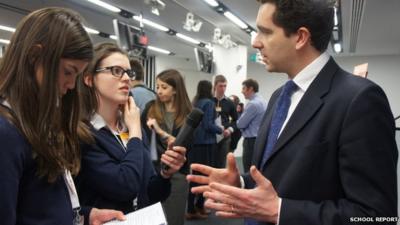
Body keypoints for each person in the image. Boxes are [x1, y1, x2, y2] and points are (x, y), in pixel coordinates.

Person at [187, 0, 398, 225]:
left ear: (300, 37)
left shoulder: (359, 100)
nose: (256, 42)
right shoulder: (280, 96)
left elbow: (376, 216)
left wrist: (280, 211)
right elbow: (279, 176)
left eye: (265, 32)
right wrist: (240, 182)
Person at [0, 7, 125, 225]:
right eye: (68, 71)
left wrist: (84, 216)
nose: (70, 85)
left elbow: (38, 206)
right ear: (34, 56)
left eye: (76, 75)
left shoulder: (36, 121)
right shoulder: (6, 132)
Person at [75, 43, 186, 214]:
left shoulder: (129, 127)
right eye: (116, 71)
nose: (127, 78)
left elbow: (151, 194)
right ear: (89, 78)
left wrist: (165, 175)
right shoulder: (83, 133)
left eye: (128, 72)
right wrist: (135, 132)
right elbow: (125, 186)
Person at [142, 69, 192, 225]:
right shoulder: (151, 107)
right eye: (157, 87)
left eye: (164, 87)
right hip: (155, 171)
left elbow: (183, 145)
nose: (159, 91)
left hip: (178, 174)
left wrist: (159, 131)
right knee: (154, 216)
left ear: (175, 89)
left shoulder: (187, 114)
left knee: (173, 217)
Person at [186, 80, 223, 220]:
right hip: (206, 144)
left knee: (194, 177)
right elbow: (208, 125)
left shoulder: (195, 102)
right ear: (210, 89)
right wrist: (220, 129)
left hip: (195, 144)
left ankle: (191, 207)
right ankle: (199, 206)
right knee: (205, 177)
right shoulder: (209, 103)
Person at [237, 78, 267, 172]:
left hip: (251, 142)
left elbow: (240, 124)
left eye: (244, 88)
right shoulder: (264, 101)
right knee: (257, 169)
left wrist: (239, 114)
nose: (242, 91)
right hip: (260, 139)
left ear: (251, 89)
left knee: (248, 170)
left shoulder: (252, 104)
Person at [213, 75, 238, 168]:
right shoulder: (209, 100)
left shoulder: (229, 103)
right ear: (215, 86)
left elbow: (236, 120)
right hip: (211, 136)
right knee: (210, 162)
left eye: (225, 86)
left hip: (224, 137)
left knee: (222, 163)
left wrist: (230, 130)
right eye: (220, 86)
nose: (223, 88)